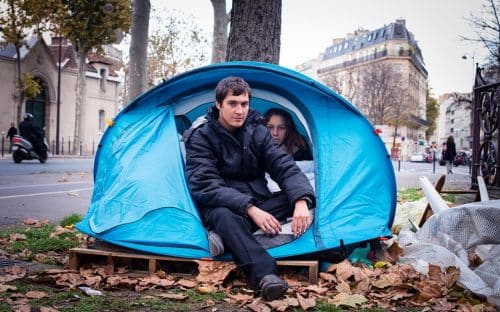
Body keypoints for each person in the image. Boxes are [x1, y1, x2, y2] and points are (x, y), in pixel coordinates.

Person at [184, 77, 315, 301]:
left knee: (306, 195)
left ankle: (231, 238)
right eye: (232, 103)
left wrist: (301, 201)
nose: (239, 110)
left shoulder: (258, 131)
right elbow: (205, 185)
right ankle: (265, 276)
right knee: (224, 217)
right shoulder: (201, 135)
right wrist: (251, 209)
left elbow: (283, 165)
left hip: (259, 200)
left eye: (244, 104)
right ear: (218, 104)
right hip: (224, 206)